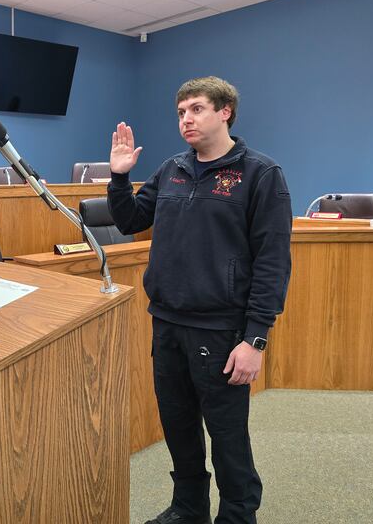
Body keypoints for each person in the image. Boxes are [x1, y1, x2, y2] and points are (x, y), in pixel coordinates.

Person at [107, 76, 292, 524]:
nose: (185, 119)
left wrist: (256, 339)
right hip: (167, 324)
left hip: (223, 331)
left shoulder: (260, 173)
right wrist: (118, 176)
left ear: (224, 111)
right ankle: (189, 509)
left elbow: (272, 262)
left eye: (195, 109)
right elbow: (130, 219)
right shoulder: (172, 168)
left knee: (228, 438)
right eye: (180, 113)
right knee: (178, 427)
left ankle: (237, 515)